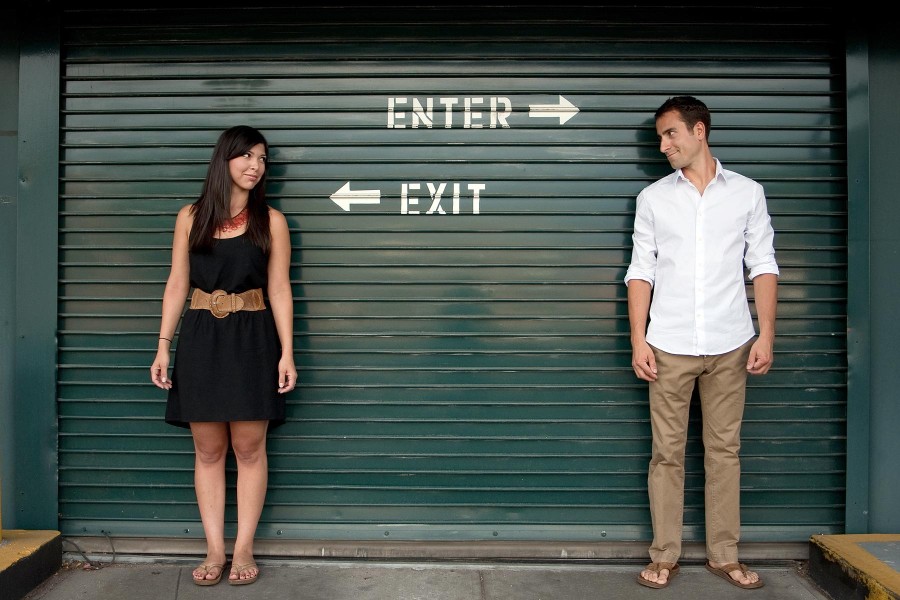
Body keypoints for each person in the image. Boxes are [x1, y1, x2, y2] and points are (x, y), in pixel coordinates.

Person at [625, 96, 778, 590]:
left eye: (671, 134)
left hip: (731, 342)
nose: (664, 145)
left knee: (724, 452)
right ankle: (664, 555)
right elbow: (640, 272)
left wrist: (765, 334)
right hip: (667, 343)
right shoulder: (653, 199)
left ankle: (724, 555)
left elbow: (764, 265)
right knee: (665, 454)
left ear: (699, 131)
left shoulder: (748, 193)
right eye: (659, 138)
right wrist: (638, 339)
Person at [150, 125, 296, 587]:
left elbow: (279, 288)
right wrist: (163, 345)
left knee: (250, 448)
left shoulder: (270, 220)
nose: (256, 166)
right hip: (200, 339)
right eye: (246, 156)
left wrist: (287, 352)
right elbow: (177, 283)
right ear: (224, 160)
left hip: (253, 340)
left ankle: (244, 547)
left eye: (262, 159)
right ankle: (215, 550)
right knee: (208, 450)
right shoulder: (190, 216)